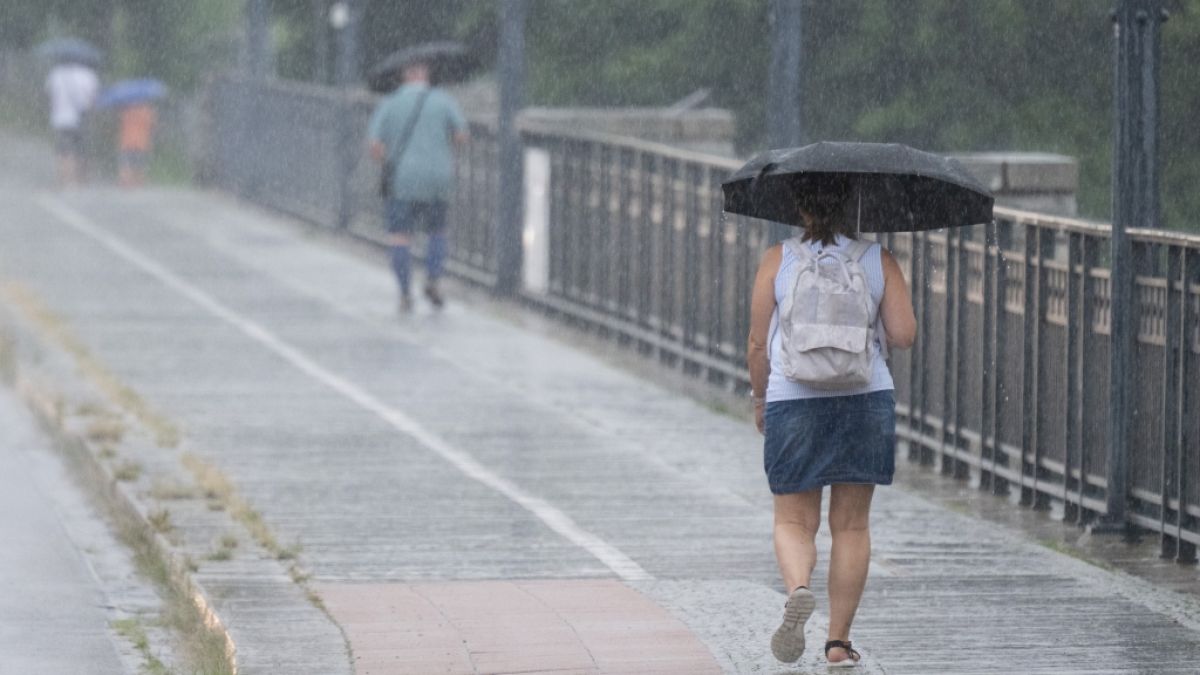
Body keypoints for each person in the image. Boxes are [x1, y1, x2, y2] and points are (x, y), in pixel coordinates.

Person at [746, 180, 916, 667]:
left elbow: (757, 344)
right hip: (864, 398)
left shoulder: (778, 260)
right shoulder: (878, 259)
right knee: (851, 526)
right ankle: (837, 643)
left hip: (793, 398)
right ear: (853, 205)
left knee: (793, 521)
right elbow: (904, 334)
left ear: (799, 207)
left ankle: (799, 588)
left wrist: (760, 399)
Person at [367, 59, 469, 312]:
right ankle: (433, 279)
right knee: (437, 232)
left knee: (400, 236)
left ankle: (404, 293)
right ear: (426, 74)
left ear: (405, 75)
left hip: (402, 180)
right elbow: (461, 136)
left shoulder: (390, 103)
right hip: (437, 178)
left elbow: (375, 146)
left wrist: (388, 161)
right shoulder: (443, 101)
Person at [44, 61, 99, 186]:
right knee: (81, 150)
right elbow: (93, 99)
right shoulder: (89, 75)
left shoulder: (56, 74)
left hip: (60, 119)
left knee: (63, 150)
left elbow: (48, 95)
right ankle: (80, 179)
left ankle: (64, 179)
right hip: (82, 119)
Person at [116, 101, 157, 187]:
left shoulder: (126, 111)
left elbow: (120, 121)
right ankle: (138, 182)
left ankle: (126, 182)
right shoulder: (147, 112)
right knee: (139, 165)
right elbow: (152, 125)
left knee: (126, 164)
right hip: (141, 143)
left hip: (127, 142)